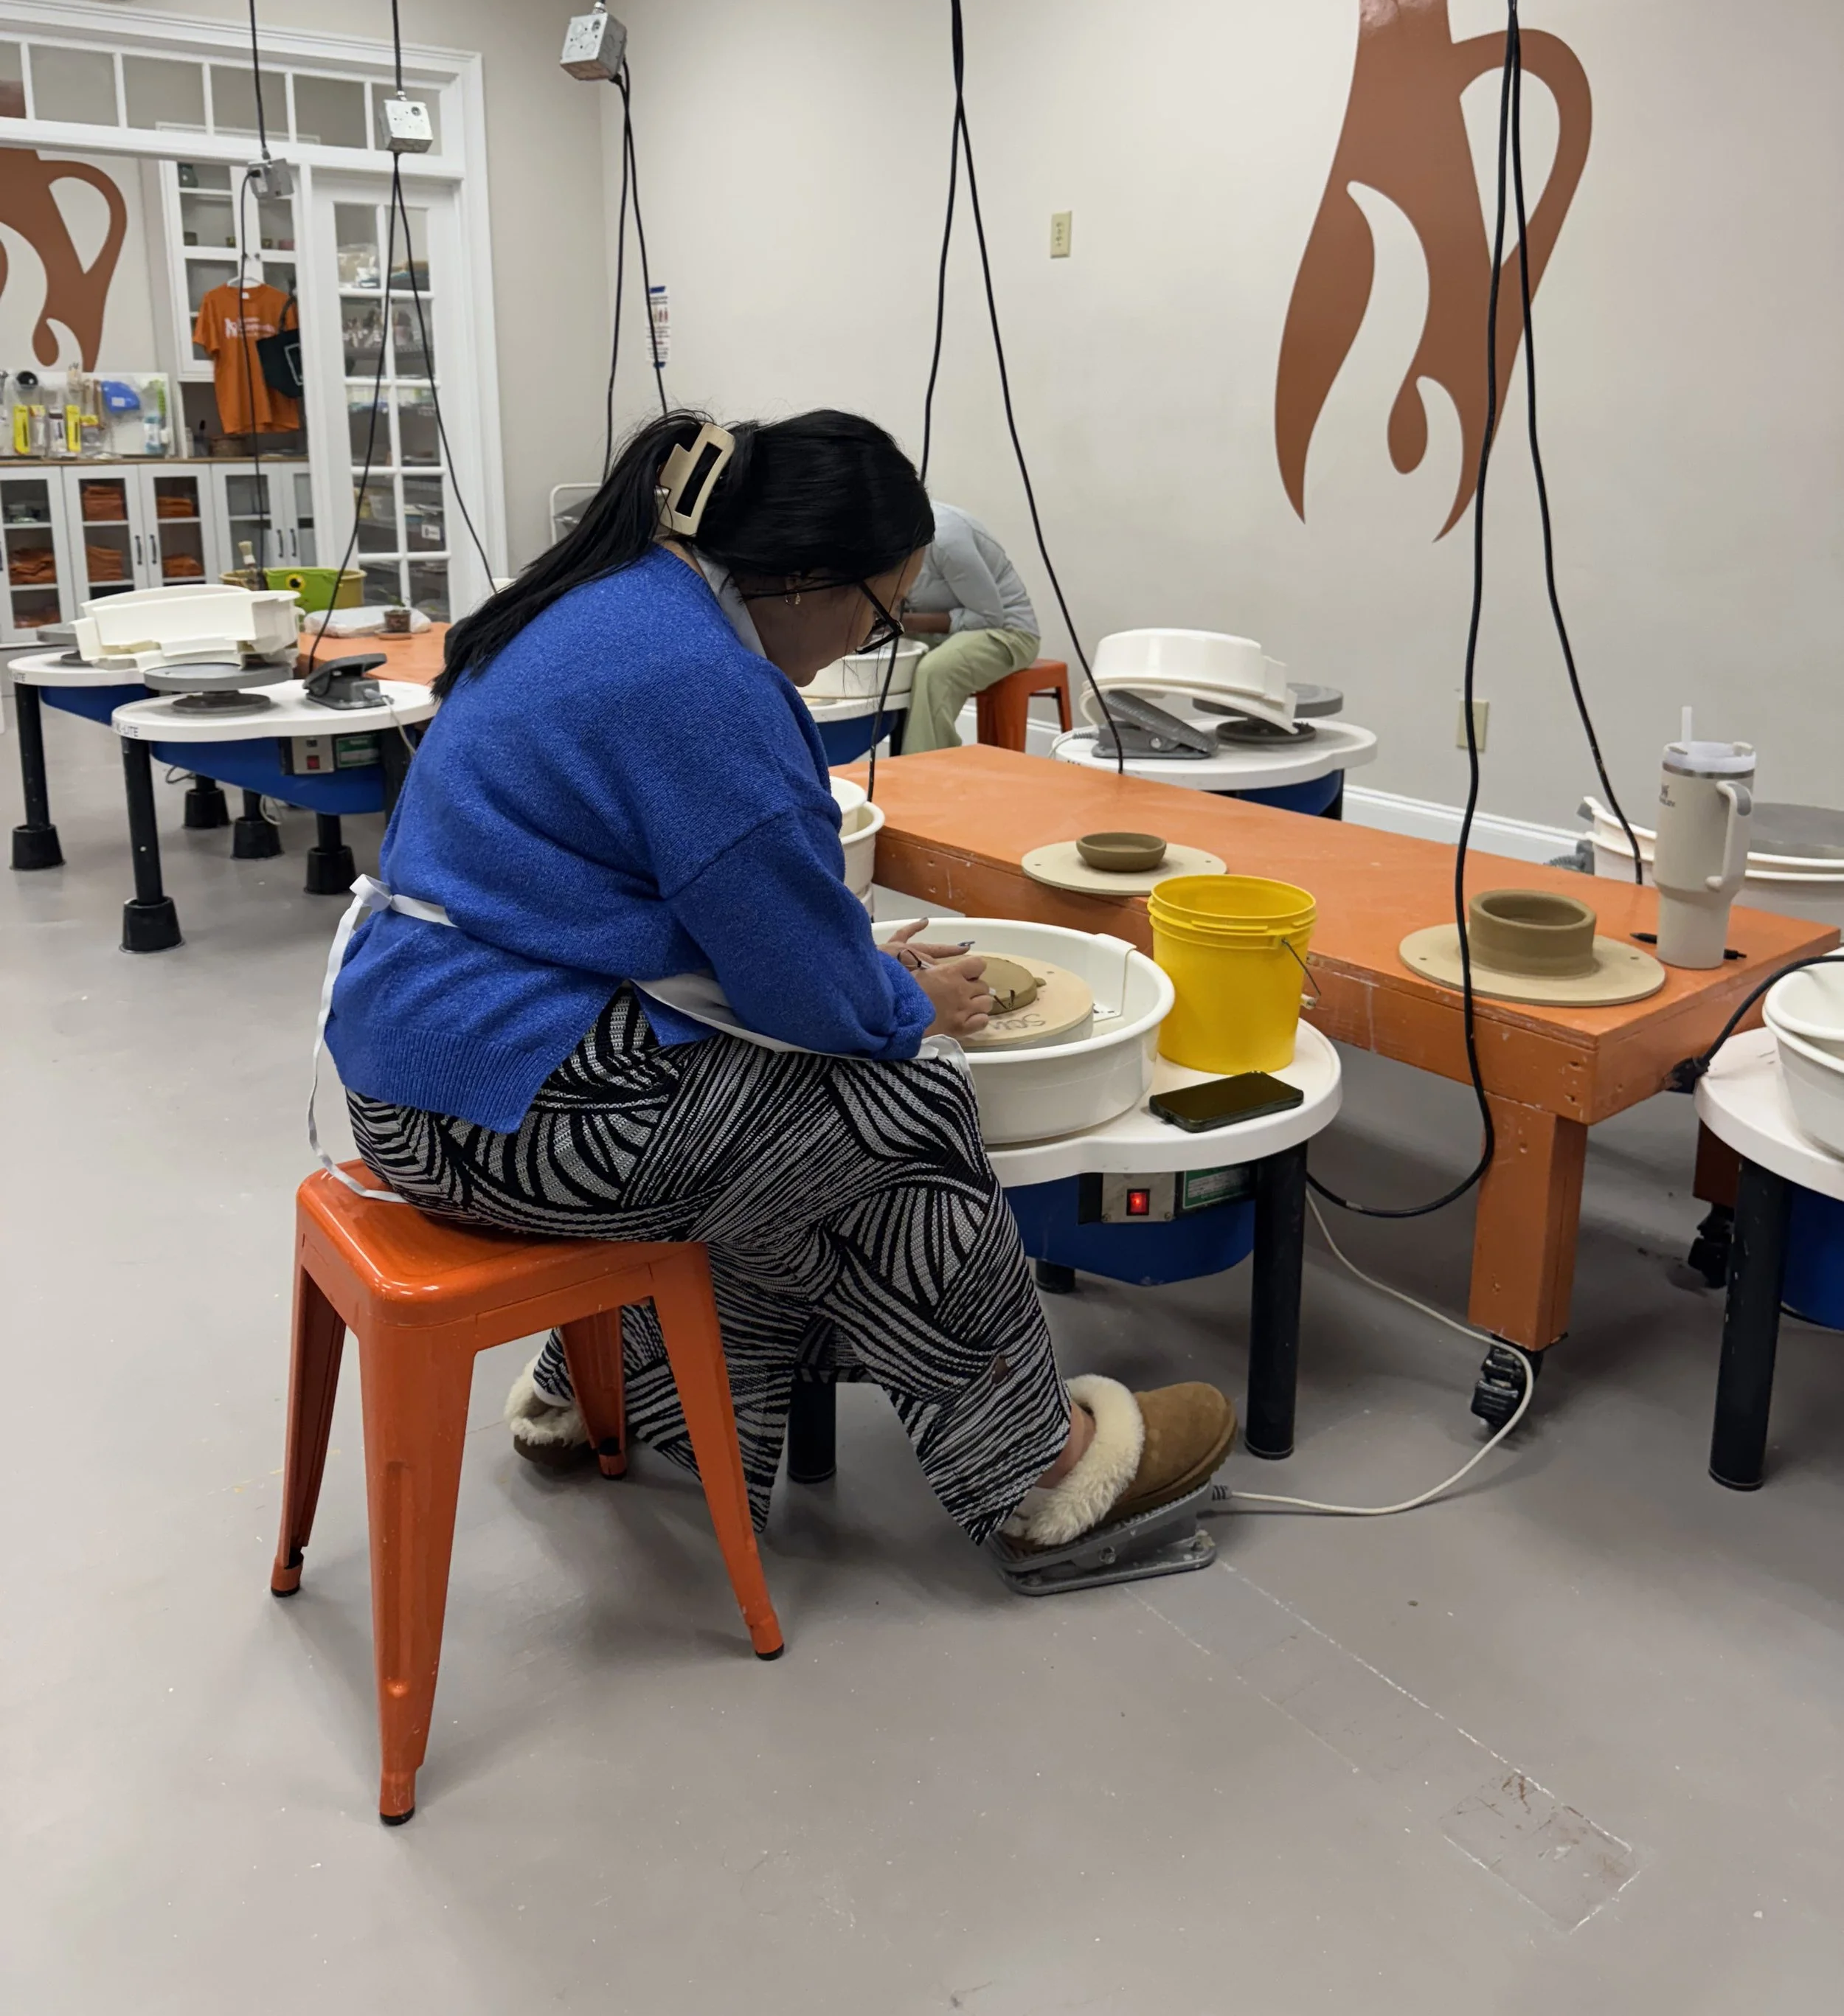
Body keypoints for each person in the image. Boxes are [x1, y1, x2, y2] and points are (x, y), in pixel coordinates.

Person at [324, 409, 1235, 1567]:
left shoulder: (617, 600)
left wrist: (858, 965)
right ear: (805, 577)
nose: (880, 629)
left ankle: (596, 1392)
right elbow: (810, 1002)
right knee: (900, 1119)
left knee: (771, 1131)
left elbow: (675, 916)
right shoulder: (702, 681)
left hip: (436, 1057)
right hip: (497, 1112)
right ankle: (1041, 1475)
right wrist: (913, 1002)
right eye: (883, 604)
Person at [898, 499, 1040, 754]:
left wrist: (902, 623)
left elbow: (988, 617)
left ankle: (929, 771)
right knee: (876, 655)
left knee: (935, 671)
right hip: (939, 633)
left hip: (1007, 633)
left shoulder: (945, 538)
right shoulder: (879, 538)